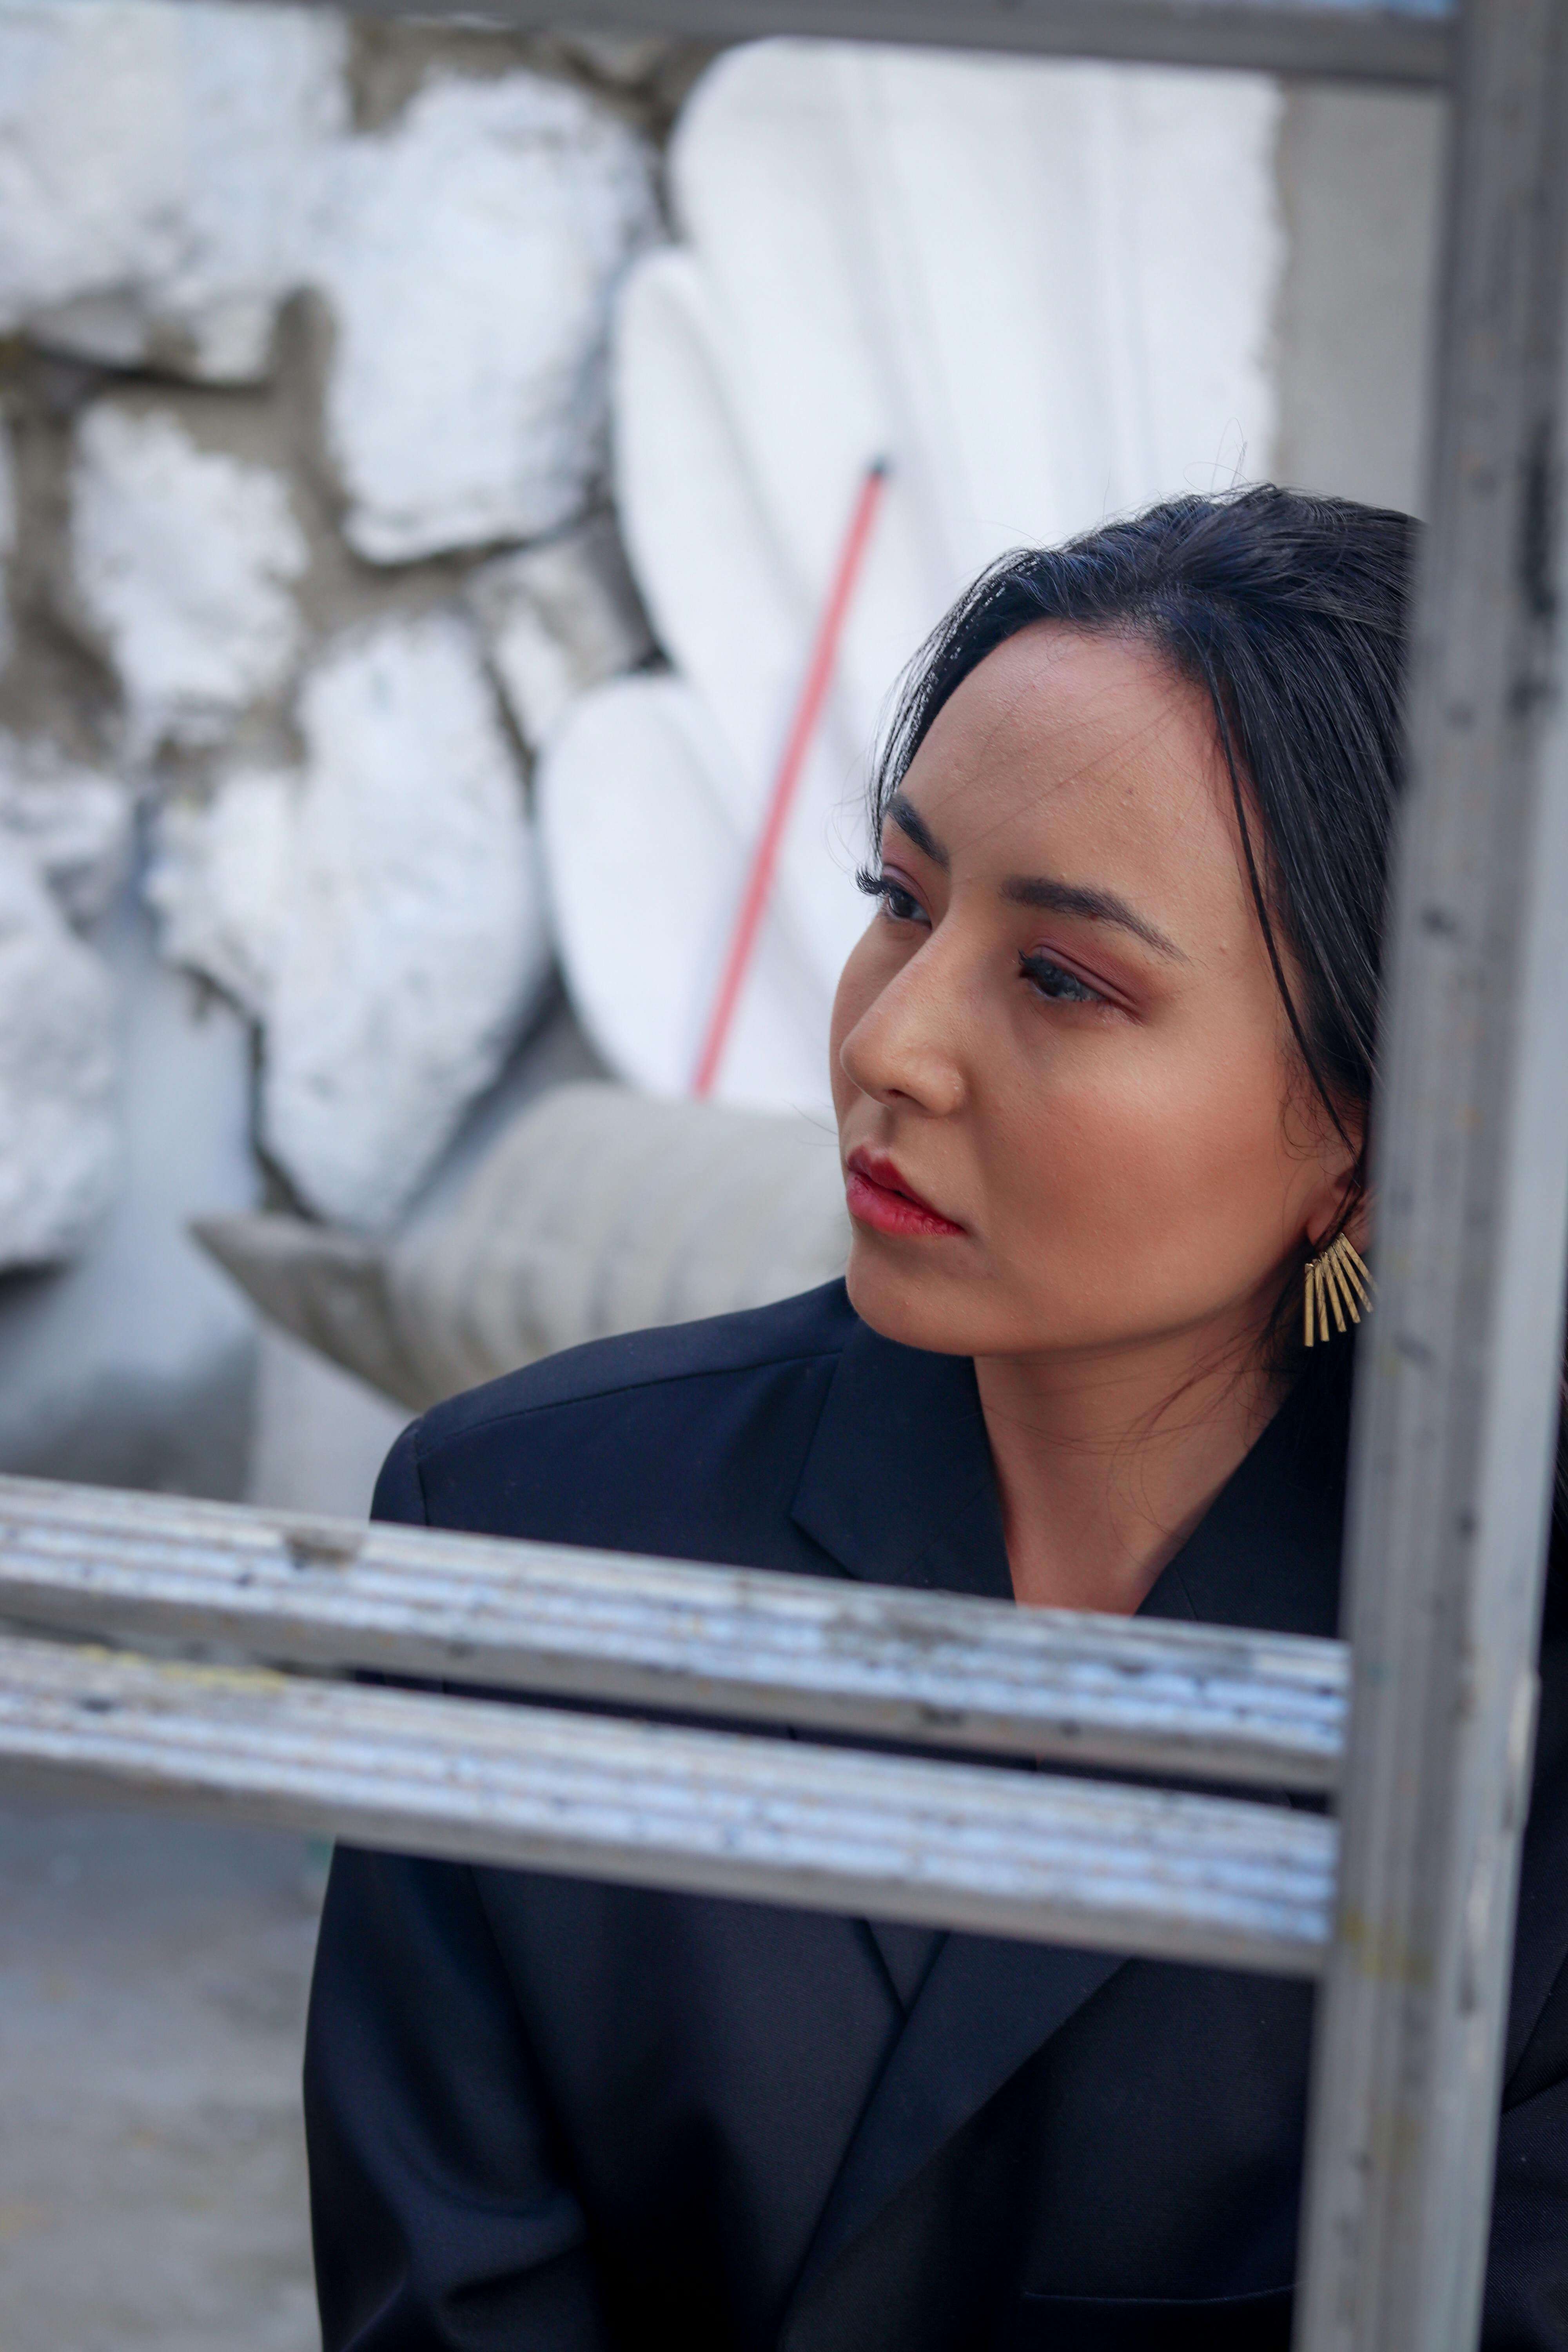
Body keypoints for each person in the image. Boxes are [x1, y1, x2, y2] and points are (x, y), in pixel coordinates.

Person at [303, 488, 1568, 2351]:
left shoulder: (1510, 1673)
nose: (890, 1041)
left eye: (1065, 978)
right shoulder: (526, 1526)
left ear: (1375, 1134)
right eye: (901, 900)